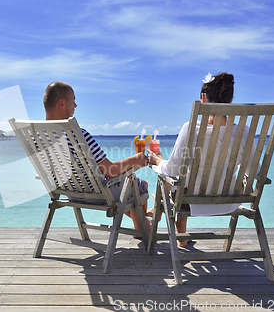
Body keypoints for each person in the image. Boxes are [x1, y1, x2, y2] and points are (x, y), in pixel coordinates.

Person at [147, 72, 259, 247]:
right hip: (230, 200)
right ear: (230, 102)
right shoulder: (243, 132)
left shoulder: (190, 129)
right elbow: (255, 172)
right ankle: (177, 229)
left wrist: (157, 161)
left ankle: (167, 218)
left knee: (171, 178)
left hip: (189, 202)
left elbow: (172, 170)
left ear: (203, 99)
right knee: (180, 177)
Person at [44, 81, 152, 233]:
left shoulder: (37, 137)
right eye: (73, 101)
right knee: (140, 186)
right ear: (62, 104)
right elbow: (110, 170)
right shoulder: (76, 134)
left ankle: (144, 223)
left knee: (129, 191)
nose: (75, 106)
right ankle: (141, 227)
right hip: (97, 195)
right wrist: (136, 160)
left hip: (69, 194)